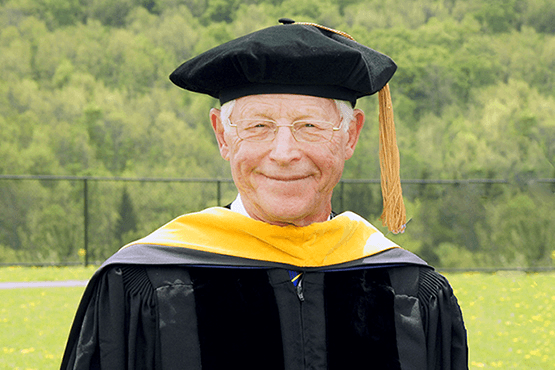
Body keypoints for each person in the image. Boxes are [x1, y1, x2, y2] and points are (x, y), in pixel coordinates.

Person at [61, 19, 468, 369]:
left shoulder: (410, 289)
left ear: (351, 136)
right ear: (222, 135)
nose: (285, 153)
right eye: (259, 127)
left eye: (310, 126)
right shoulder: (141, 285)